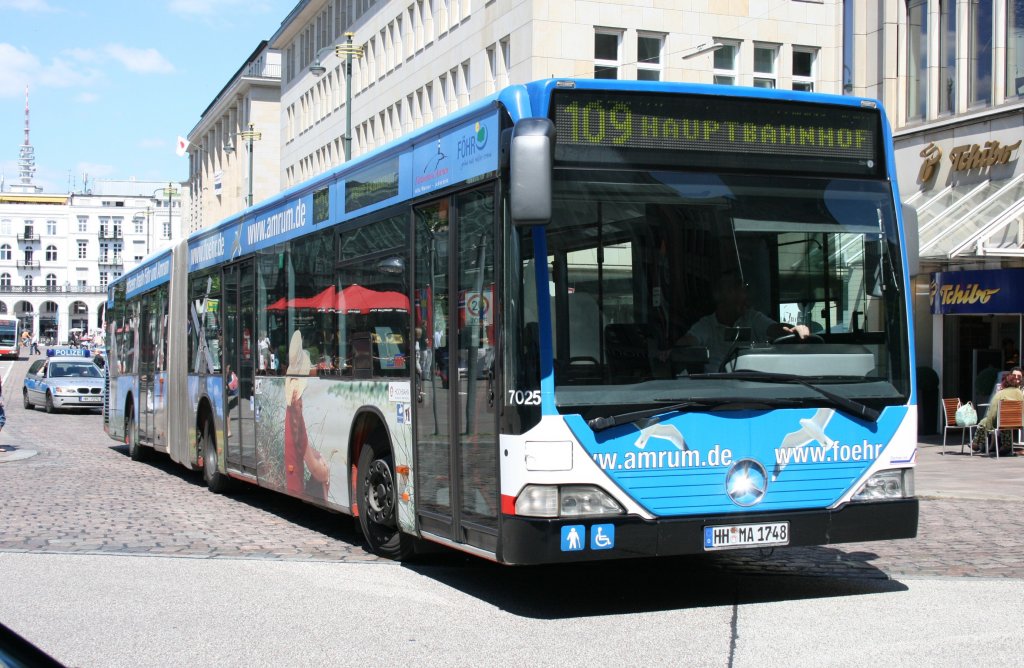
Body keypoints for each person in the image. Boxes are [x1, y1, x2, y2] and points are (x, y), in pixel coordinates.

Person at [672, 274, 811, 371]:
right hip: (716, 389)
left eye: (744, 290)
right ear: (720, 296)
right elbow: (688, 341)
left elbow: (774, 328)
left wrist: (793, 330)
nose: (744, 296)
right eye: (736, 290)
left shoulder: (752, 318)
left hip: (750, 387)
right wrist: (675, 348)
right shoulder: (707, 325)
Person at [284, 331, 330, 498]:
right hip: (297, 490)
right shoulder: (296, 414)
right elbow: (316, 471)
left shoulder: (291, 409)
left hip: (293, 485)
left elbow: (302, 447)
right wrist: (326, 471)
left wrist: (314, 453)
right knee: (324, 476)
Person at [972, 368, 1024, 455]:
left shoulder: (1000, 393)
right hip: (1017, 421)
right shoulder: (1020, 393)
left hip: (1002, 422)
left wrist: (989, 425)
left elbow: (993, 410)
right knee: (1006, 424)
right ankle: (1006, 446)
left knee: (984, 422)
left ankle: (976, 443)